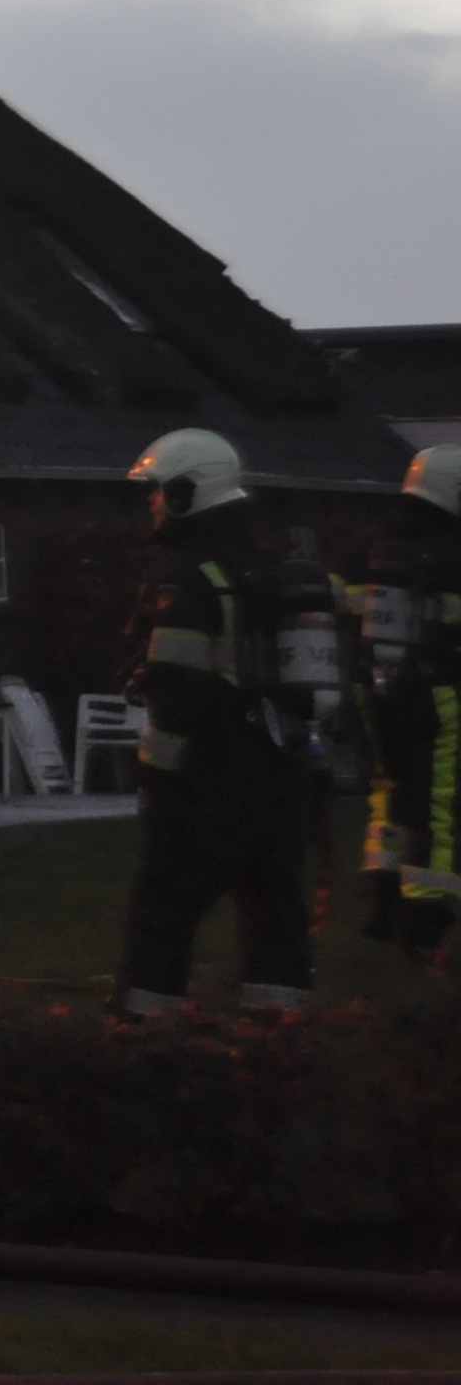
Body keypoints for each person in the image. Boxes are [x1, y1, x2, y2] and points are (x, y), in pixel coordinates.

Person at [117, 427, 346, 1014]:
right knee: (276, 916)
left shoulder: (187, 577)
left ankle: (140, 1036)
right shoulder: (270, 569)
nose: (153, 503)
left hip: (209, 785)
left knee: (163, 915)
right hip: (280, 781)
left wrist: (156, 780)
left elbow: (177, 693)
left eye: (160, 490)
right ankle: (278, 1039)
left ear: (189, 492)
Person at [345, 444, 461, 964]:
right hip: (440, 693)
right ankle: (425, 920)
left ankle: (380, 905)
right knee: (438, 802)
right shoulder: (453, 554)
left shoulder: (365, 548)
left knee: (387, 790)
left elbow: (342, 615)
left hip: (374, 690)